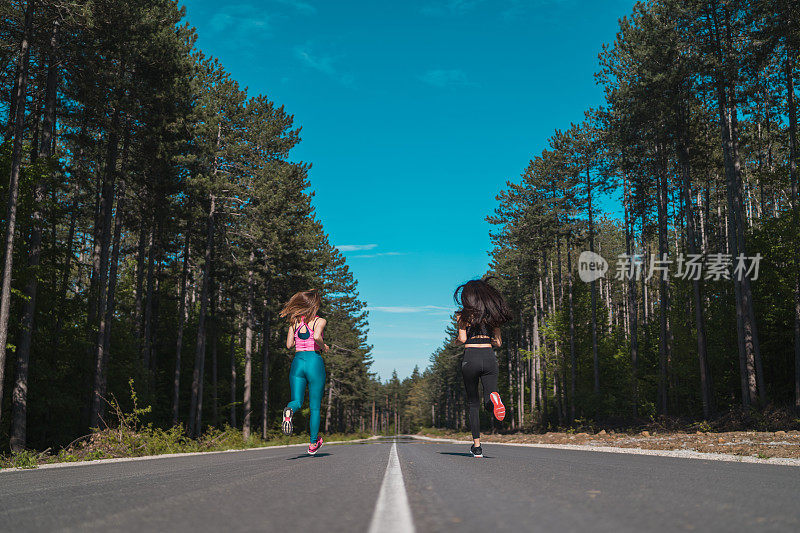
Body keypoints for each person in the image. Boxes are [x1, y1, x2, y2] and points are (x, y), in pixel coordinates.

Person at [454, 278, 512, 458]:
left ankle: (477, 447)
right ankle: (494, 399)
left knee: (473, 403)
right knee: (489, 400)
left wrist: (456, 340)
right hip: (488, 357)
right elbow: (498, 343)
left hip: (470, 357)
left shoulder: (463, 316)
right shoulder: (493, 317)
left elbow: (462, 339)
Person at [279, 289, 329, 455]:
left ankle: (289, 411)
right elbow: (316, 337)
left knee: (297, 401)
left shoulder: (294, 322)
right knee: (314, 407)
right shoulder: (320, 321)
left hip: (298, 362)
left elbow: (288, 345)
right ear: (314, 305)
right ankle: (313, 443)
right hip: (314, 361)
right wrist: (324, 347)